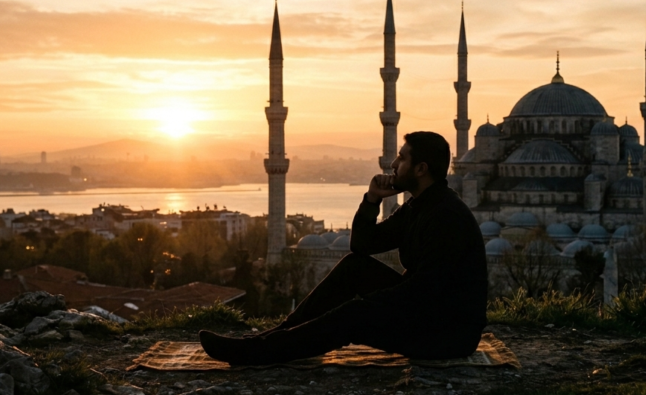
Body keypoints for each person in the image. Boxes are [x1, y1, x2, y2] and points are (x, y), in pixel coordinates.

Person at [199, 131, 487, 365]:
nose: (393, 164)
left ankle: (260, 352)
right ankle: (277, 335)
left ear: (421, 169)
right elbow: (362, 246)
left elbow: (425, 290)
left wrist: (367, 307)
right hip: (427, 315)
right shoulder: (419, 206)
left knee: (354, 316)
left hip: (446, 334)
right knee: (354, 267)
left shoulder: (446, 216)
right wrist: (372, 200)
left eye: (402, 158)